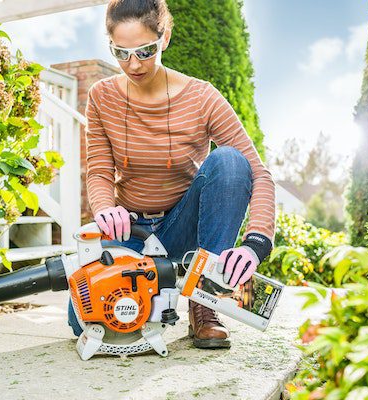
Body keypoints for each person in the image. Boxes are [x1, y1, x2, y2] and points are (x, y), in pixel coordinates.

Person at [68, 0, 276, 349]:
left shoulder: (201, 96)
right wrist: (105, 208)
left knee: (229, 161)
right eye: (121, 53)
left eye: (145, 51)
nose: (133, 64)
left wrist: (256, 244)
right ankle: (157, 289)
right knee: (84, 321)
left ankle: (203, 303)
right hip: (130, 230)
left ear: (164, 38)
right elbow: (101, 171)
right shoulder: (102, 96)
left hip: (184, 229)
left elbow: (259, 174)